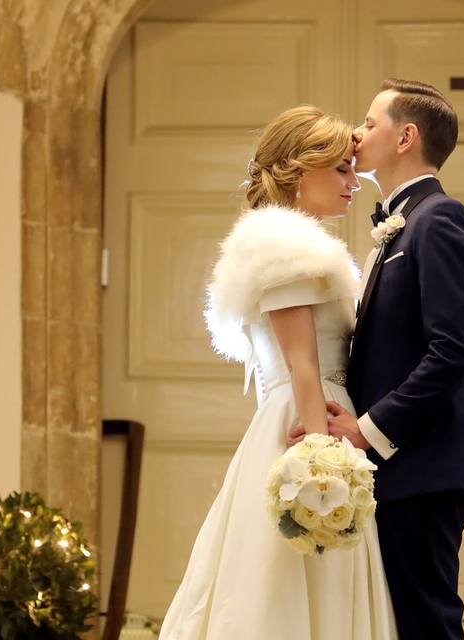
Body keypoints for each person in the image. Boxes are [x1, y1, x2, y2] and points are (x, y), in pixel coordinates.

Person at [157, 105, 397, 640]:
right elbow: (302, 364)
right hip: (309, 420)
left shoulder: (297, 243)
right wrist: (320, 458)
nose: (352, 182)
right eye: (338, 169)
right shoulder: (285, 247)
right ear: (295, 170)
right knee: (303, 576)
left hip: (312, 414)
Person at [303, 78, 464, 640]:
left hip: (424, 465)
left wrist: (365, 431)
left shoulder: (439, 218)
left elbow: (454, 352)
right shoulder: (399, 222)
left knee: (426, 623)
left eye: (368, 122)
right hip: (402, 468)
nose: (355, 134)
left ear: (407, 136)